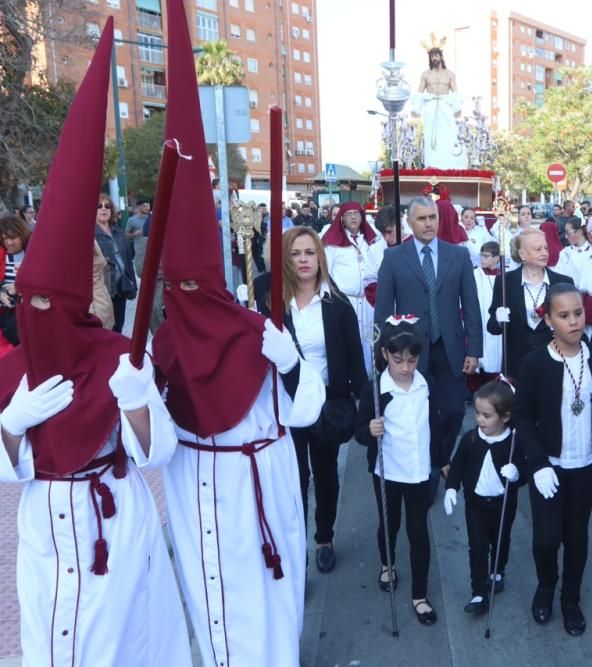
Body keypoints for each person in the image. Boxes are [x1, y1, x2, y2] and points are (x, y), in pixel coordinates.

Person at [0, 21, 191, 663]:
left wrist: (136, 400)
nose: (39, 312)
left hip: (110, 518)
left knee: (118, 645)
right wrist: (11, 425)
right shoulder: (15, 367)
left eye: (51, 300)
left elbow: (157, 454)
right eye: (29, 301)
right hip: (44, 531)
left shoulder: (115, 357)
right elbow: (7, 465)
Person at [153, 3, 324, 663]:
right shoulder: (161, 347)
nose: (189, 301)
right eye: (177, 290)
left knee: (276, 606)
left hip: (266, 478)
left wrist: (287, 362)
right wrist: (139, 393)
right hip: (202, 486)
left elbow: (307, 408)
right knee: (219, 617)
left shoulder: (257, 331)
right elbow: (152, 452)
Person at [513, 283, 592, 636]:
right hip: (549, 466)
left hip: (585, 464)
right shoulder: (536, 362)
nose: (573, 321)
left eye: (578, 313)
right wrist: (537, 463)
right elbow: (522, 416)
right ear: (549, 319)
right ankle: (546, 585)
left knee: (577, 536)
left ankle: (571, 598)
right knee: (545, 538)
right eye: (564, 315)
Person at [374, 196, 483, 482]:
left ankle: (440, 457)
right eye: (421, 218)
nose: (428, 224)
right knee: (419, 412)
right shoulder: (394, 257)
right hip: (411, 351)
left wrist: (475, 350)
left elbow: (470, 305)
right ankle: (426, 467)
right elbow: (383, 310)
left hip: (450, 347)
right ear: (409, 222)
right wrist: (382, 354)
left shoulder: (457, 256)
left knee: (452, 411)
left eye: (432, 217)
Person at [281, 226, 367, 573]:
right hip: (286, 405)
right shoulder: (273, 302)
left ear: (321, 257)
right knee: (294, 477)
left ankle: (324, 536)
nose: (304, 260)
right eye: (296, 253)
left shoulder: (337, 304)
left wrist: (366, 406)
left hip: (326, 406)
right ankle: (295, 543)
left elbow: (355, 358)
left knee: (326, 475)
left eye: (310, 252)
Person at [355, 317, 448, 625]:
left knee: (419, 531)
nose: (406, 367)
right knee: (389, 523)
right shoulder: (376, 390)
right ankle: (387, 563)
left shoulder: (426, 385)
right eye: (398, 360)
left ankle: (419, 594)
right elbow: (358, 432)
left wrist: (443, 460)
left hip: (419, 472)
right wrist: (369, 429)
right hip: (388, 472)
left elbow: (435, 425)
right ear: (385, 355)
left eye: (412, 360)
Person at [443, 379, 523, 615]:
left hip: (503, 503)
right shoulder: (471, 439)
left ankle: (497, 569)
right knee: (477, 547)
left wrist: (517, 473)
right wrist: (450, 488)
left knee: (500, 539)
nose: (479, 419)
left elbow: (525, 469)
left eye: (486, 416)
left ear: (505, 417)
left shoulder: (513, 441)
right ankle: (478, 592)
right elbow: (457, 466)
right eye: (477, 413)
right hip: (475, 503)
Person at [488, 228, 573, 379]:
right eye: (537, 249)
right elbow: (492, 327)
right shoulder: (505, 282)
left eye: (546, 248)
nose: (544, 253)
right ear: (522, 254)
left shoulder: (563, 282)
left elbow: (572, 323)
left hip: (554, 360)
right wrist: (499, 320)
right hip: (516, 365)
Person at [323, 202, 379, 374]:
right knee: (348, 341)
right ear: (342, 219)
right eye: (349, 214)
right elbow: (325, 274)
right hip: (345, 301)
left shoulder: (373, 240)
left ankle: (371, 379)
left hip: (369, 302)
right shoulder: (331, 244)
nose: (353, 217)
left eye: (357, 213)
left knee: (371, 340)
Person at [413, 44, 466, 169]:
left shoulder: (450, 74)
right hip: (430, 107)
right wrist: (416, 109)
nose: (434, 58)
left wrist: (457, 108)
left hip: (445, 106)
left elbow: (455, 93)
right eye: (432, 56)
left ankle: (448, 165)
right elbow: (419, 93)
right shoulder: (425, 74)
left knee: (449, 135)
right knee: (431, 135)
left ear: (441, 56)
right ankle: (432, 164)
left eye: (436, 55)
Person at [95, 193, 137, 333]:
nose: (103, 209)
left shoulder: (118, 231)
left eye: (107, 206)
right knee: (105, 326)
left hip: (121, 286)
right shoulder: (90, 233)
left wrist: (133, 283)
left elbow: (127, 258)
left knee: (119, 324)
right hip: (102, 288)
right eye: (99, 206)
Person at [471, 241, 503, 383]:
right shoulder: (475, 274)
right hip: (480, 316)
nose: (482, 259)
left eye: (486, 256)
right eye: (481, 255)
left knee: (497, 348)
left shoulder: (503, 275)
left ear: (496, 258)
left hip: (495, 318)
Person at [0, 216, 30, 352]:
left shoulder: (31, 254)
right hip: (5, 315)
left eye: (13, 238)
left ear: (22, 236)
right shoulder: (1, 254)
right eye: (5, 238)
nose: (9, 243)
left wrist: (21, 287)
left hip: (28, 312)